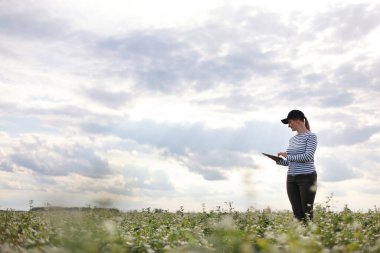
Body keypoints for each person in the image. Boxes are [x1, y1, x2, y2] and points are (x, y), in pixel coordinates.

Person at [276, 109, 317, 222]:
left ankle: (310, 238)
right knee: (297, 213)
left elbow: (307, 156)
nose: (288, 125)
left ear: (298, 120)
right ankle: (300, 238)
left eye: (289, 122)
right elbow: (290, 161)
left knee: (307, 213)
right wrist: (279, 161)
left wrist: (287, 156)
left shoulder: (311, 137)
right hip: (291, 179)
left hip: (307, 177)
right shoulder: (292, 139)